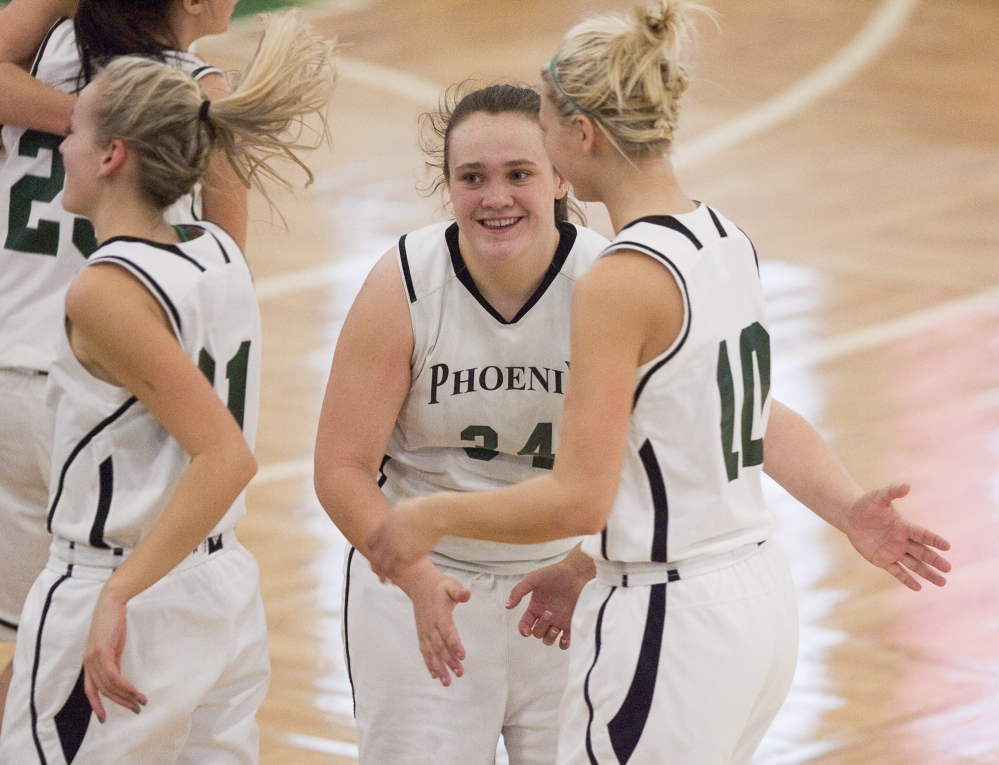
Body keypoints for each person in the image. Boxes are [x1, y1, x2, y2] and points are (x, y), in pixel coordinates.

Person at [366, 2, 953, 764]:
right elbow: (742, 418)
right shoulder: (722, 238)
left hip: (669, 620)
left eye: (544, 124)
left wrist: (429, 517)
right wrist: (846, 508)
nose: (540, 139)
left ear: (581, 134)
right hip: (754, 603)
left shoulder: (619, 279)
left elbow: (580, 496)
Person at [0, 11, 335, 762]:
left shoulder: (104, 294)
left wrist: (115, 595)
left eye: (76, 135)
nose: (63, 148)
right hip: (212, 568)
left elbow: (223, 453)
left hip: (110, 556)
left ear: (113, 152)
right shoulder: (215, 253)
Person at [313, 83, 610, 764]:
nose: (495, 197)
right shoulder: (405, 282)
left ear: (561, 176)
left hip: (567, 588)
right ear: (447, 185)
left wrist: (587, 561)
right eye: (471, 177)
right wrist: (412, 574)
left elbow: (665, 460)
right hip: (422, 588)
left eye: (519, 174)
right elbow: (340, 467)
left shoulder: (607, 284)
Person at [0, 0, 246, 722]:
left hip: (7, 370)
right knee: (102, 636)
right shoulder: (198, 96)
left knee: (29, 631)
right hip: (100, 396)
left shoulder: (44, 66)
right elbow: (226, 270)